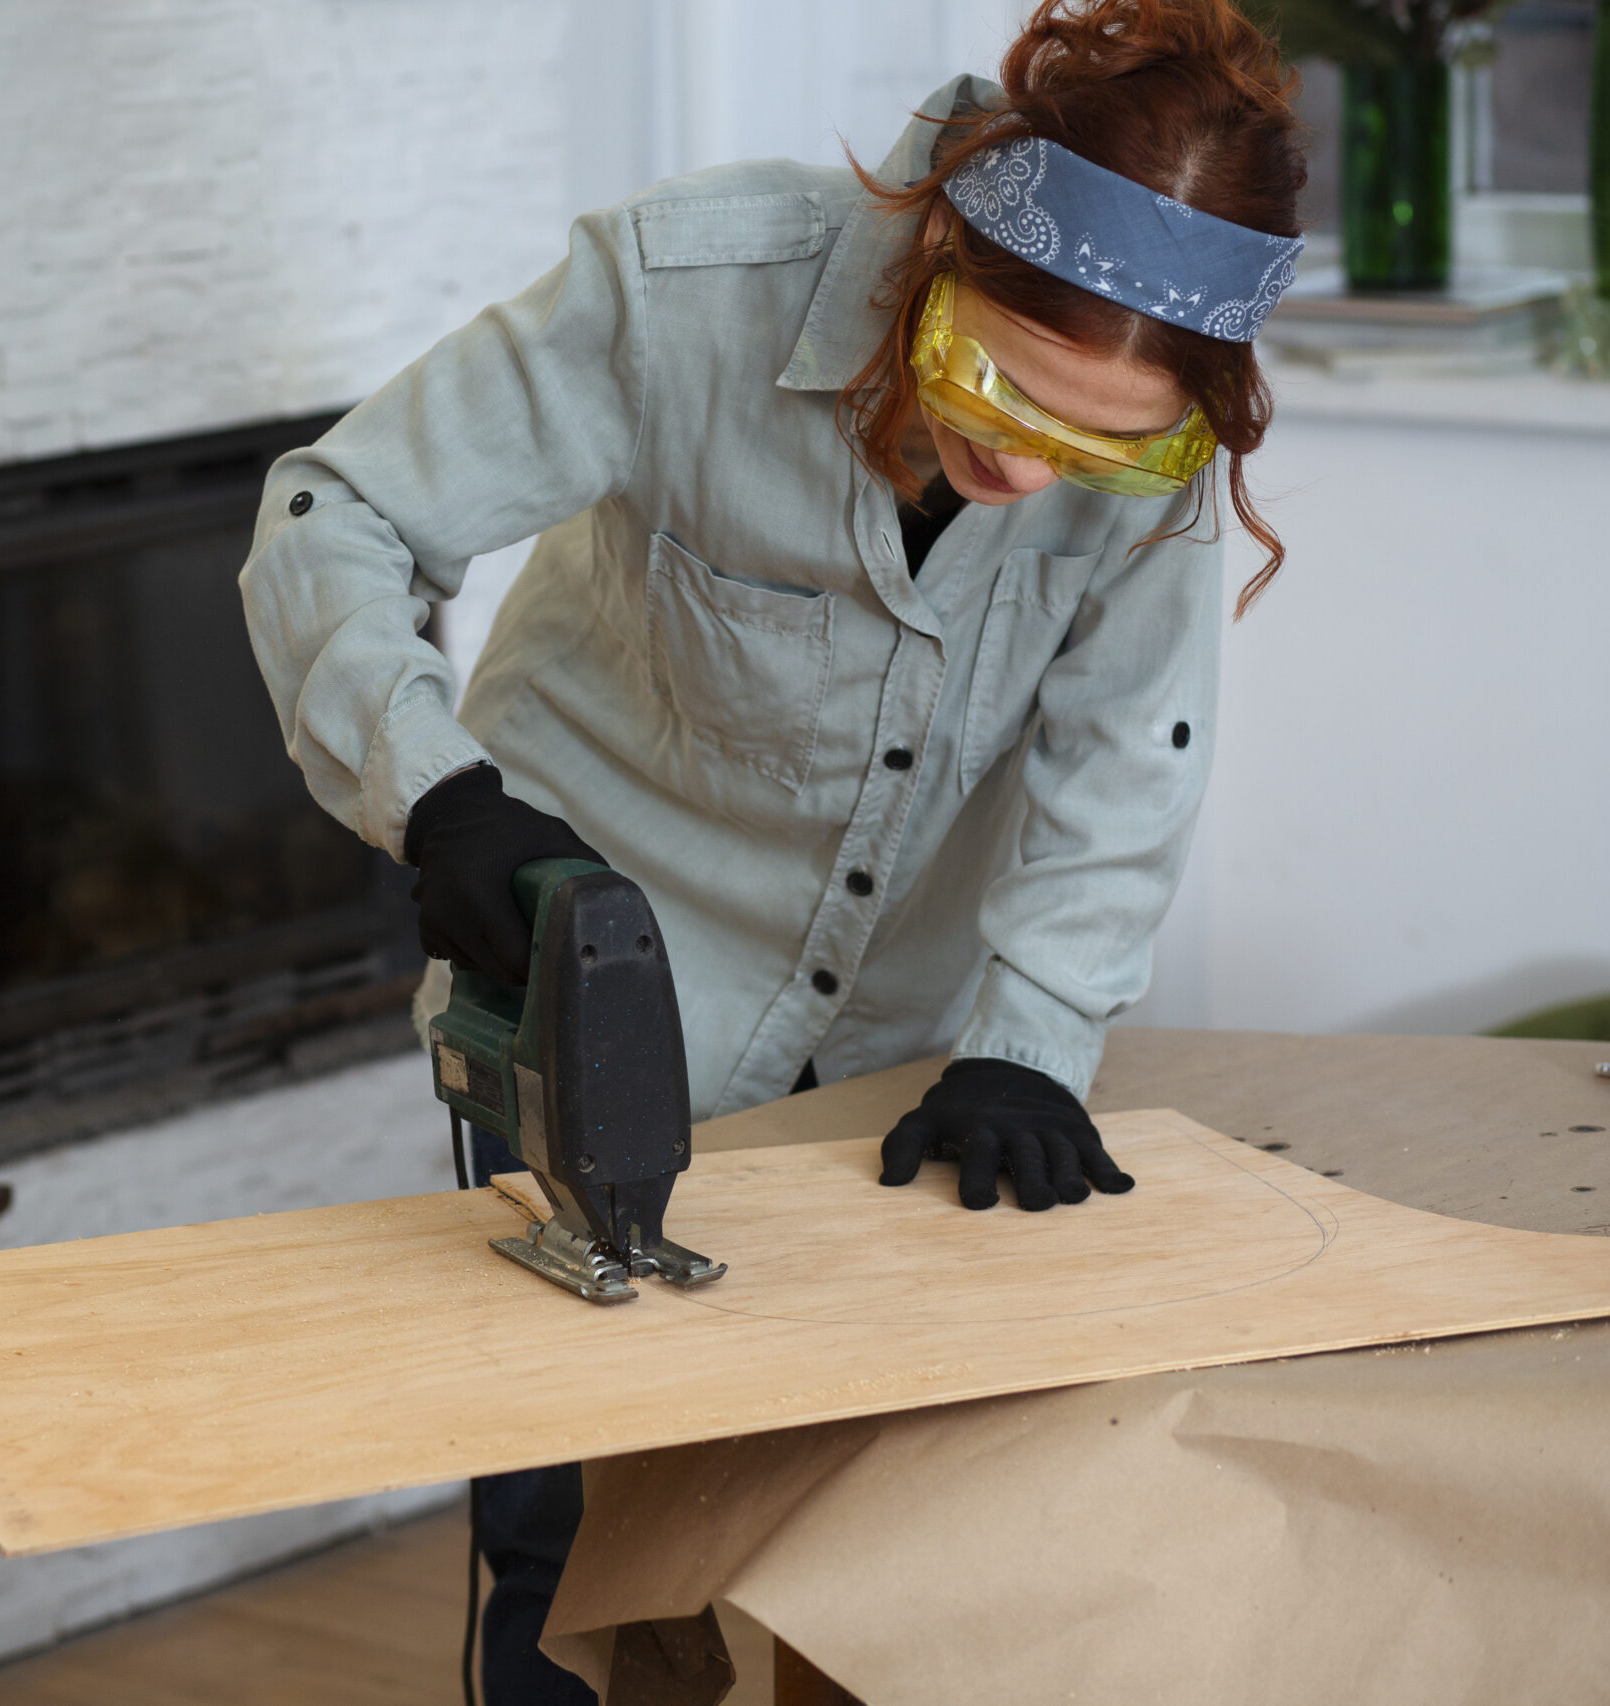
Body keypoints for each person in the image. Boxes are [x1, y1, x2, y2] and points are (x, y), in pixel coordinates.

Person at [238, 1, 1306, 1697]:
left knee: (866, 1547)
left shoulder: (1143, 420)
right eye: (990, 385)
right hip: (578, 980)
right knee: (577, 1546)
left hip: (897, 1057)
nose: (1028, 464)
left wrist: (1032, 1046)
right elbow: (334, 507)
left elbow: (1129, 759)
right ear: (937, 249)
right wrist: (436, 794)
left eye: (1097, 438)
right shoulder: (685, 293)